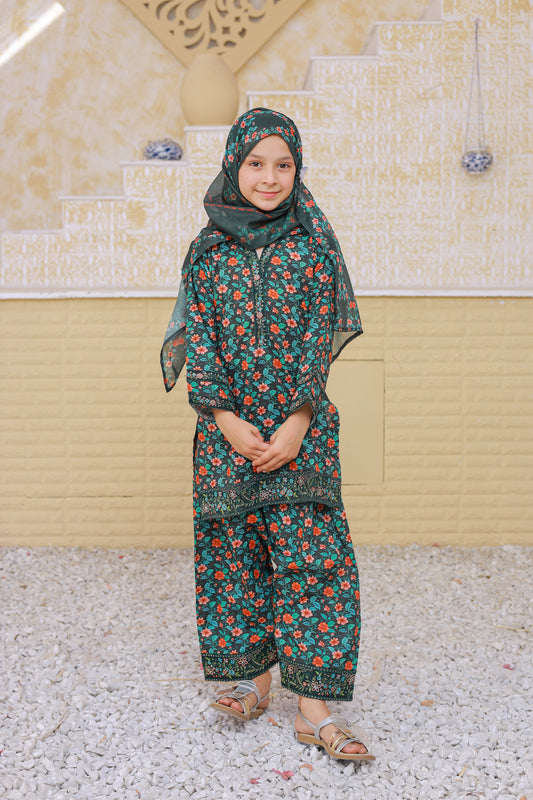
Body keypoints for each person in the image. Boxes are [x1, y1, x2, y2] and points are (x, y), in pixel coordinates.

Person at [160, 107, 374, 762]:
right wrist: (225, 420)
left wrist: (298, 418)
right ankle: (252, 682)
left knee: (313, 564)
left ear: (297, 170)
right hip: (225, 435)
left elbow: (318, 344)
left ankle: (312, 709)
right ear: (233, 165)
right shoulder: (207, 252)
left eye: (283, 164)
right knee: (234, 559)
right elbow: (203, 341)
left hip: (299, 431)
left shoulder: (312, 246)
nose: (269, 177)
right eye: (256, 162)